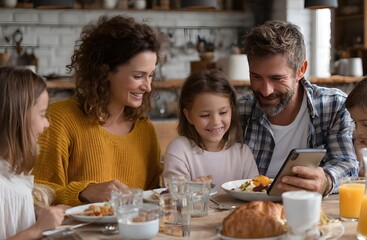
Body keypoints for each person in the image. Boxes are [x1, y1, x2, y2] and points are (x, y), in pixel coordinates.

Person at [32, 15, 163, 206]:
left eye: (151, 76)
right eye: (138, 76)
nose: (147, 86)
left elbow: (150, 200)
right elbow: (36, 190)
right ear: (105, 72)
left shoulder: (145, 130)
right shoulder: (61, 118)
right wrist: (83, 192)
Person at [238, 20, 358, 196]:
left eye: (277, 78)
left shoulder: (334, 106)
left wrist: (326, 180)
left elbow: (347, 164)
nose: (265, 90)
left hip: (308, 209)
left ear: (301, 70)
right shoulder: (240, 110)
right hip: (252, 210)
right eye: (256, 77)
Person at [163, 69, 259, 191]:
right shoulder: (179, 149)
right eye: (205, 115)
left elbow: (254, 194)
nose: (216, 122)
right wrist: (191, 189)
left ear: (232, 110)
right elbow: (172, 196)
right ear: (188, 116)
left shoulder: (243, 154)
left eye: (223, 112)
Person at [0, 66, 67, 239]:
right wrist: (38, 229)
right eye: (43, 115)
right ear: (18, 119)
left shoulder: (11, 171)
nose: (47, 124)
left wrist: (38, 213)